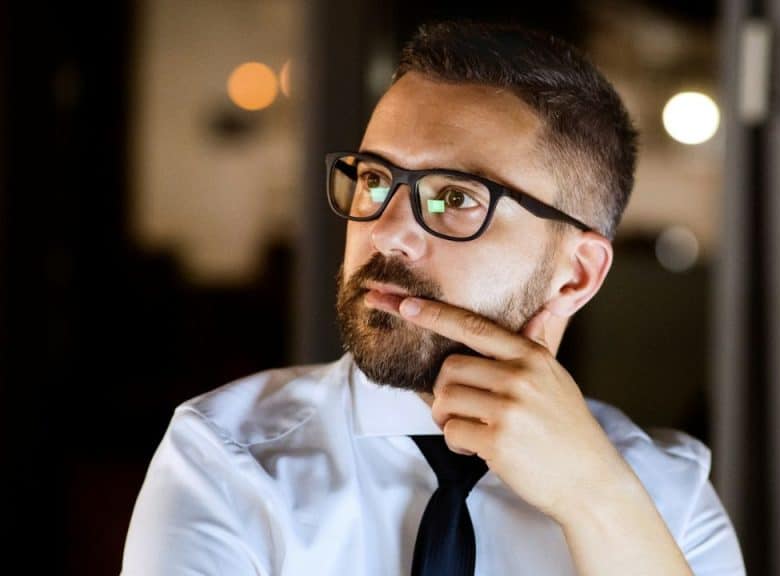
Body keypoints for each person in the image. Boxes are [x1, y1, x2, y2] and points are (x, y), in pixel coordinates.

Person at [121, 20, 746, 576]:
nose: (385, 231)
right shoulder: (228, 461)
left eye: (455, 199)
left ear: (576, 274)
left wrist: (595, 497)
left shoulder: (668, 495)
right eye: (374, 180)